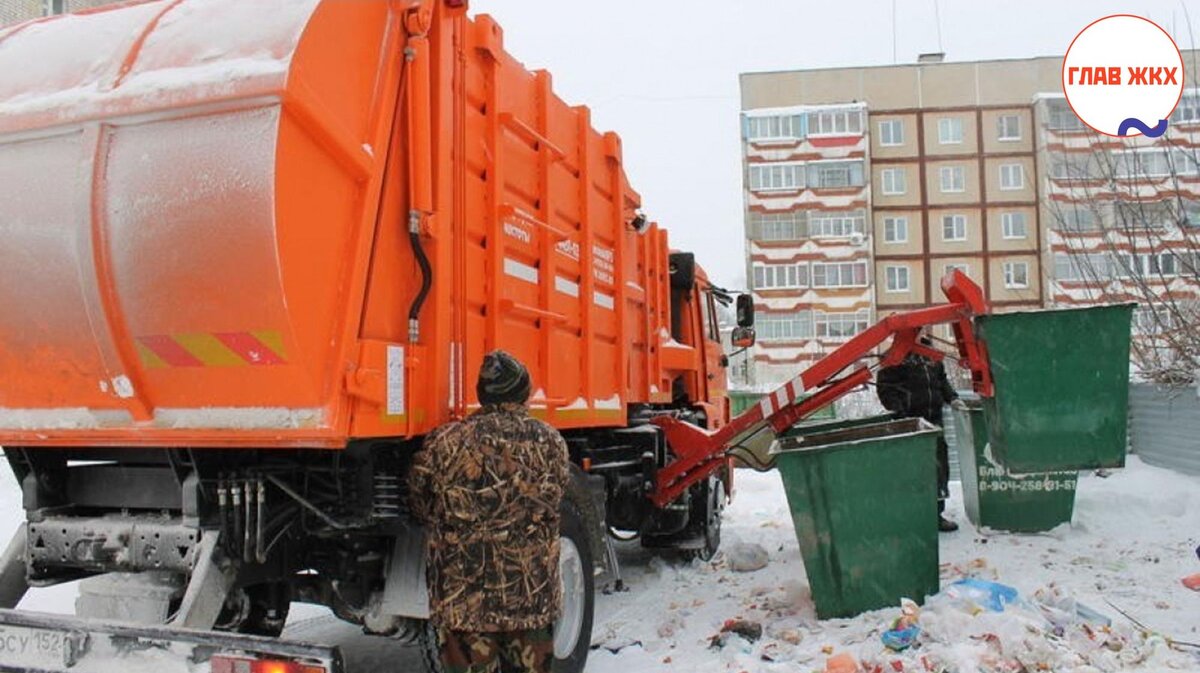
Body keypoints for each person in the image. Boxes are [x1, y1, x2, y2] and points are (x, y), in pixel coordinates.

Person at [408, 350, 570, 673]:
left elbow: (421, 504)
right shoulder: (552, 443)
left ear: (483, 394)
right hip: (531, 599)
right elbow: (554, 500)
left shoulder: (446, 443)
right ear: (523, 392)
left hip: (465, 605)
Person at [876, 331, 960, 532]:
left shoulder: (929, 354)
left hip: (935, 420)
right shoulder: (895, 356)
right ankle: (912, 515)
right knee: (913, 471)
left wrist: (953, 397)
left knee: (939, 469)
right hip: (912, 423)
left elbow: (941, 381)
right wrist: (901, 414)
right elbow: (885, 388)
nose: (915, 334)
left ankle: (936, 515)